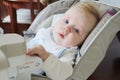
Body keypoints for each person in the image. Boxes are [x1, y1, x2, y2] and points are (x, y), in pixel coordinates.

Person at [26, 2, 100, 80]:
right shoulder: (45, 32)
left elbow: (63, 75)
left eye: (76, 30)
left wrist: (46, 57)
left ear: (83, 41)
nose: (67, 28)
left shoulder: (67, 52)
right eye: (66, 21)